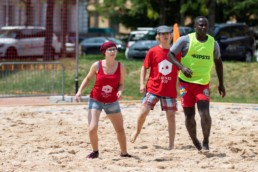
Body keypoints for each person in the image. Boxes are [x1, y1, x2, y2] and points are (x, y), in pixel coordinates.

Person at [167, 16, 226, 151]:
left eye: (205, 25)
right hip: (185, 83)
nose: (203, 27)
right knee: (189, 114)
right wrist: (182, 67)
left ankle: (206, 141)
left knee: (204, 113)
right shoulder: (185, 40)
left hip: (202, 84)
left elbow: (218, 63)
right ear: (195, 27)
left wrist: (221, 83)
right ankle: (194, 140)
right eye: (200, 25)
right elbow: (170, 55)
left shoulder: (213, 43)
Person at [75, 41, 131, 159]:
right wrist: (80, 91)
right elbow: (88, 78)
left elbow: (121, 84)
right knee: (92, 128)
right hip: (96, 99)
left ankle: (124, 153)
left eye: (114, 49)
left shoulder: (121, 66)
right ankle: (95, 151)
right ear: (104, 52)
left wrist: (120, 91)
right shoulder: (97, 65)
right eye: (110, 50)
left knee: (120, 129)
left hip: (112, 101)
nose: (112, 52)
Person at [130, 25, 181, 149]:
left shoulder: (176, 53)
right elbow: (144, 67)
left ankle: (171, 144)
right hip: (153, 88)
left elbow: (182, 69)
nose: (165, 35)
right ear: (158, 36)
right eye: (162, 34)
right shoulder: (153, 51)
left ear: (170, 35)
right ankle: (137, 131)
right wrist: (142, 83)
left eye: (168, 33)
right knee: (143, 112)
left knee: (171, 117)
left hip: (169, 90)